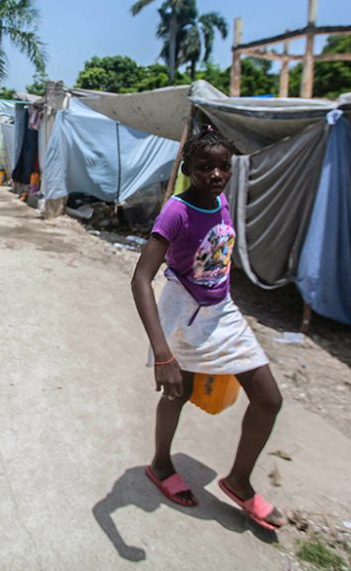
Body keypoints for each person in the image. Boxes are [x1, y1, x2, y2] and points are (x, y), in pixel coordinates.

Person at [129, 125, 286, 531]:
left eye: (223, 167)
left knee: (268, 398)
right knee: (178, 393)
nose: (215, 175)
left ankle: (238, 481)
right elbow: (141, 278)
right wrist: (164, 353)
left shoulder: (221, 201)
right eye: (204, 168)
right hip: (185, 316)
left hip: (223, 313)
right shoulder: (176, 211)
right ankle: (161, 465)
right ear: (186, 169)